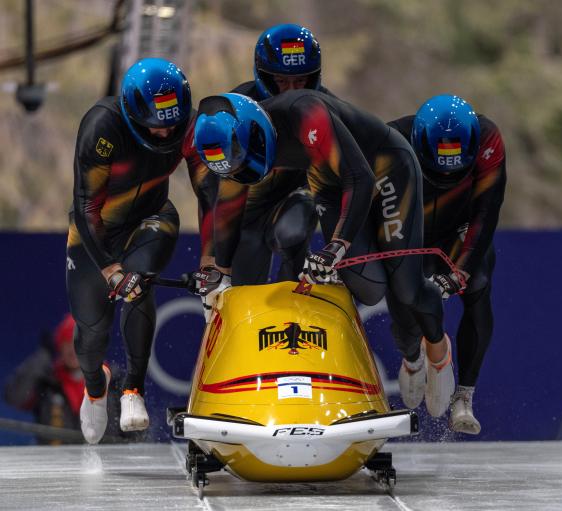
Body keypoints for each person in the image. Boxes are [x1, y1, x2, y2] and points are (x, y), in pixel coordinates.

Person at [192, 90, 455, 419]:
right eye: (237, 167)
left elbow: (360, 178)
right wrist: (222, 276)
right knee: (368, 288)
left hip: (385, 168)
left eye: (250, 158)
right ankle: (411, 355)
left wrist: (337, 245)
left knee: (406, 286)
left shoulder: (307, 114)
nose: (247, 170)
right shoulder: (233, 157)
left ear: (257, 130)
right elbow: (228, 212)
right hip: (330, 182)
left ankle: (437, 351)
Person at [66, 58, 218, 444]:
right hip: (95, 233)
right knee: (90, 334)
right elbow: (86, 207)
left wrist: (210, 260)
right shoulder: (102, 126)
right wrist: (108, 268)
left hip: (152, 217)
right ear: (133, 114)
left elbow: (209, 195)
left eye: (173, 120)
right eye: (156, 122)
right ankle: (96, 387)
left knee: (140, 279)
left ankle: (134, 389)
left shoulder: (190, 128)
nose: (166, 130)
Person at [388, 94, 506, 434]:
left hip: (461, 229)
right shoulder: (392, 140)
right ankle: (413, 357)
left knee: (479, 282)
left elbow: (487, 210)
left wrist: (461, 270)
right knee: (406, 296)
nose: (446, 170)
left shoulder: (488, 140)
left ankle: (464, 395)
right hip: (412, 233)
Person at [223, 23, 330, 285]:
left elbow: (346, 177)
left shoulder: (328, 109)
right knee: (242, 289)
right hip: (246, 213)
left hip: (296, 199)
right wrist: (214, 260)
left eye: (301, 80)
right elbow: (213, 184)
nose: (292, 90)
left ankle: (295, 303)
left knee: (291, 232)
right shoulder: (235, 107)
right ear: (264, 76)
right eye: (282, 81)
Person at [2, 314, 126, 444]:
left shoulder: (114, 381)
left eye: (78, 342)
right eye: (67, 342)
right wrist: (43, 356)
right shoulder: (47, 381)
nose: (72, 350)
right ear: (59, 346)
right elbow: (14, 397)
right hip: (56, 462)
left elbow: (135, 432)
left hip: (104, 462)